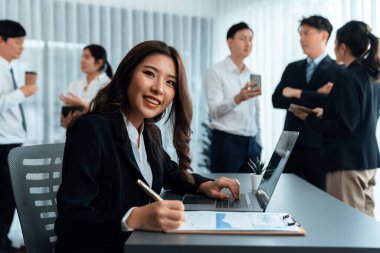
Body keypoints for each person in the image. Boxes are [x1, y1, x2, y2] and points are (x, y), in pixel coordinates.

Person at [54, 40, 240, 253]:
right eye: (150, 74)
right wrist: (132, 217)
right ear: (127, 75)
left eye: (170, 82)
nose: (159, 88)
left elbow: (170, 173)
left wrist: (204, 184)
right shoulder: (91, 130)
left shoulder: (150, 132)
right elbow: (69, 222)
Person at [309, 21, 380, 217]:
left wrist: (314, 119)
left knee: (345, 225)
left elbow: (343, 126)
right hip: (367, 161)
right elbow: (365, 115)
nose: (333, 48)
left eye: (335, 43)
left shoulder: (346, 76)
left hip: (346, 163)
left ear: (343, 47)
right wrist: (329, 114)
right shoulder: (372, 76)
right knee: (366, 226)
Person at [271, 15, 342, 190]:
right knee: (281, 196)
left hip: (317, 145)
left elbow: (330, 102)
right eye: (300, 34)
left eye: (306, 33)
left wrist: (295, 92)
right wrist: (315, 94)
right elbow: (277, 99)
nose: (301, 39)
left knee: (317, 200)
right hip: (288, 145)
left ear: (324, 36)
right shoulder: (292, 67)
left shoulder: (337, 70)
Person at [204, 22, 262, 173]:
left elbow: (256, 112)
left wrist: (259, 143)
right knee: (224, 193)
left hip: (252, 144)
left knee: (250, 191)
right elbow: (214, 111)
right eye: (243, 39)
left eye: (250, 39)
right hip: (227, 142)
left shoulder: (251, 74)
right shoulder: (215, 72)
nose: (248, 43)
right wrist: (238, 98)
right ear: (230, 42)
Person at [0, 20, 37, 253]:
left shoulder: (7, 67)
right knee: (4, 197)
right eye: (17, 41)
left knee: (8, 196)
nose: (21, 47)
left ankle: (3, 242)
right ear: (1, 40)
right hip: (3, 144)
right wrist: (21, 92)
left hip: (11, 141)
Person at [59, 44, 112, 128]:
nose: (82, 60)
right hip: (73, 133)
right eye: (82, 56)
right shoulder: (75, 84)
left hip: (96, 134)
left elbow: (106, 117)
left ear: (99, 62)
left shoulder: (108, 85)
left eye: (87, 57)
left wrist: (82, 104)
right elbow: (66, 119)